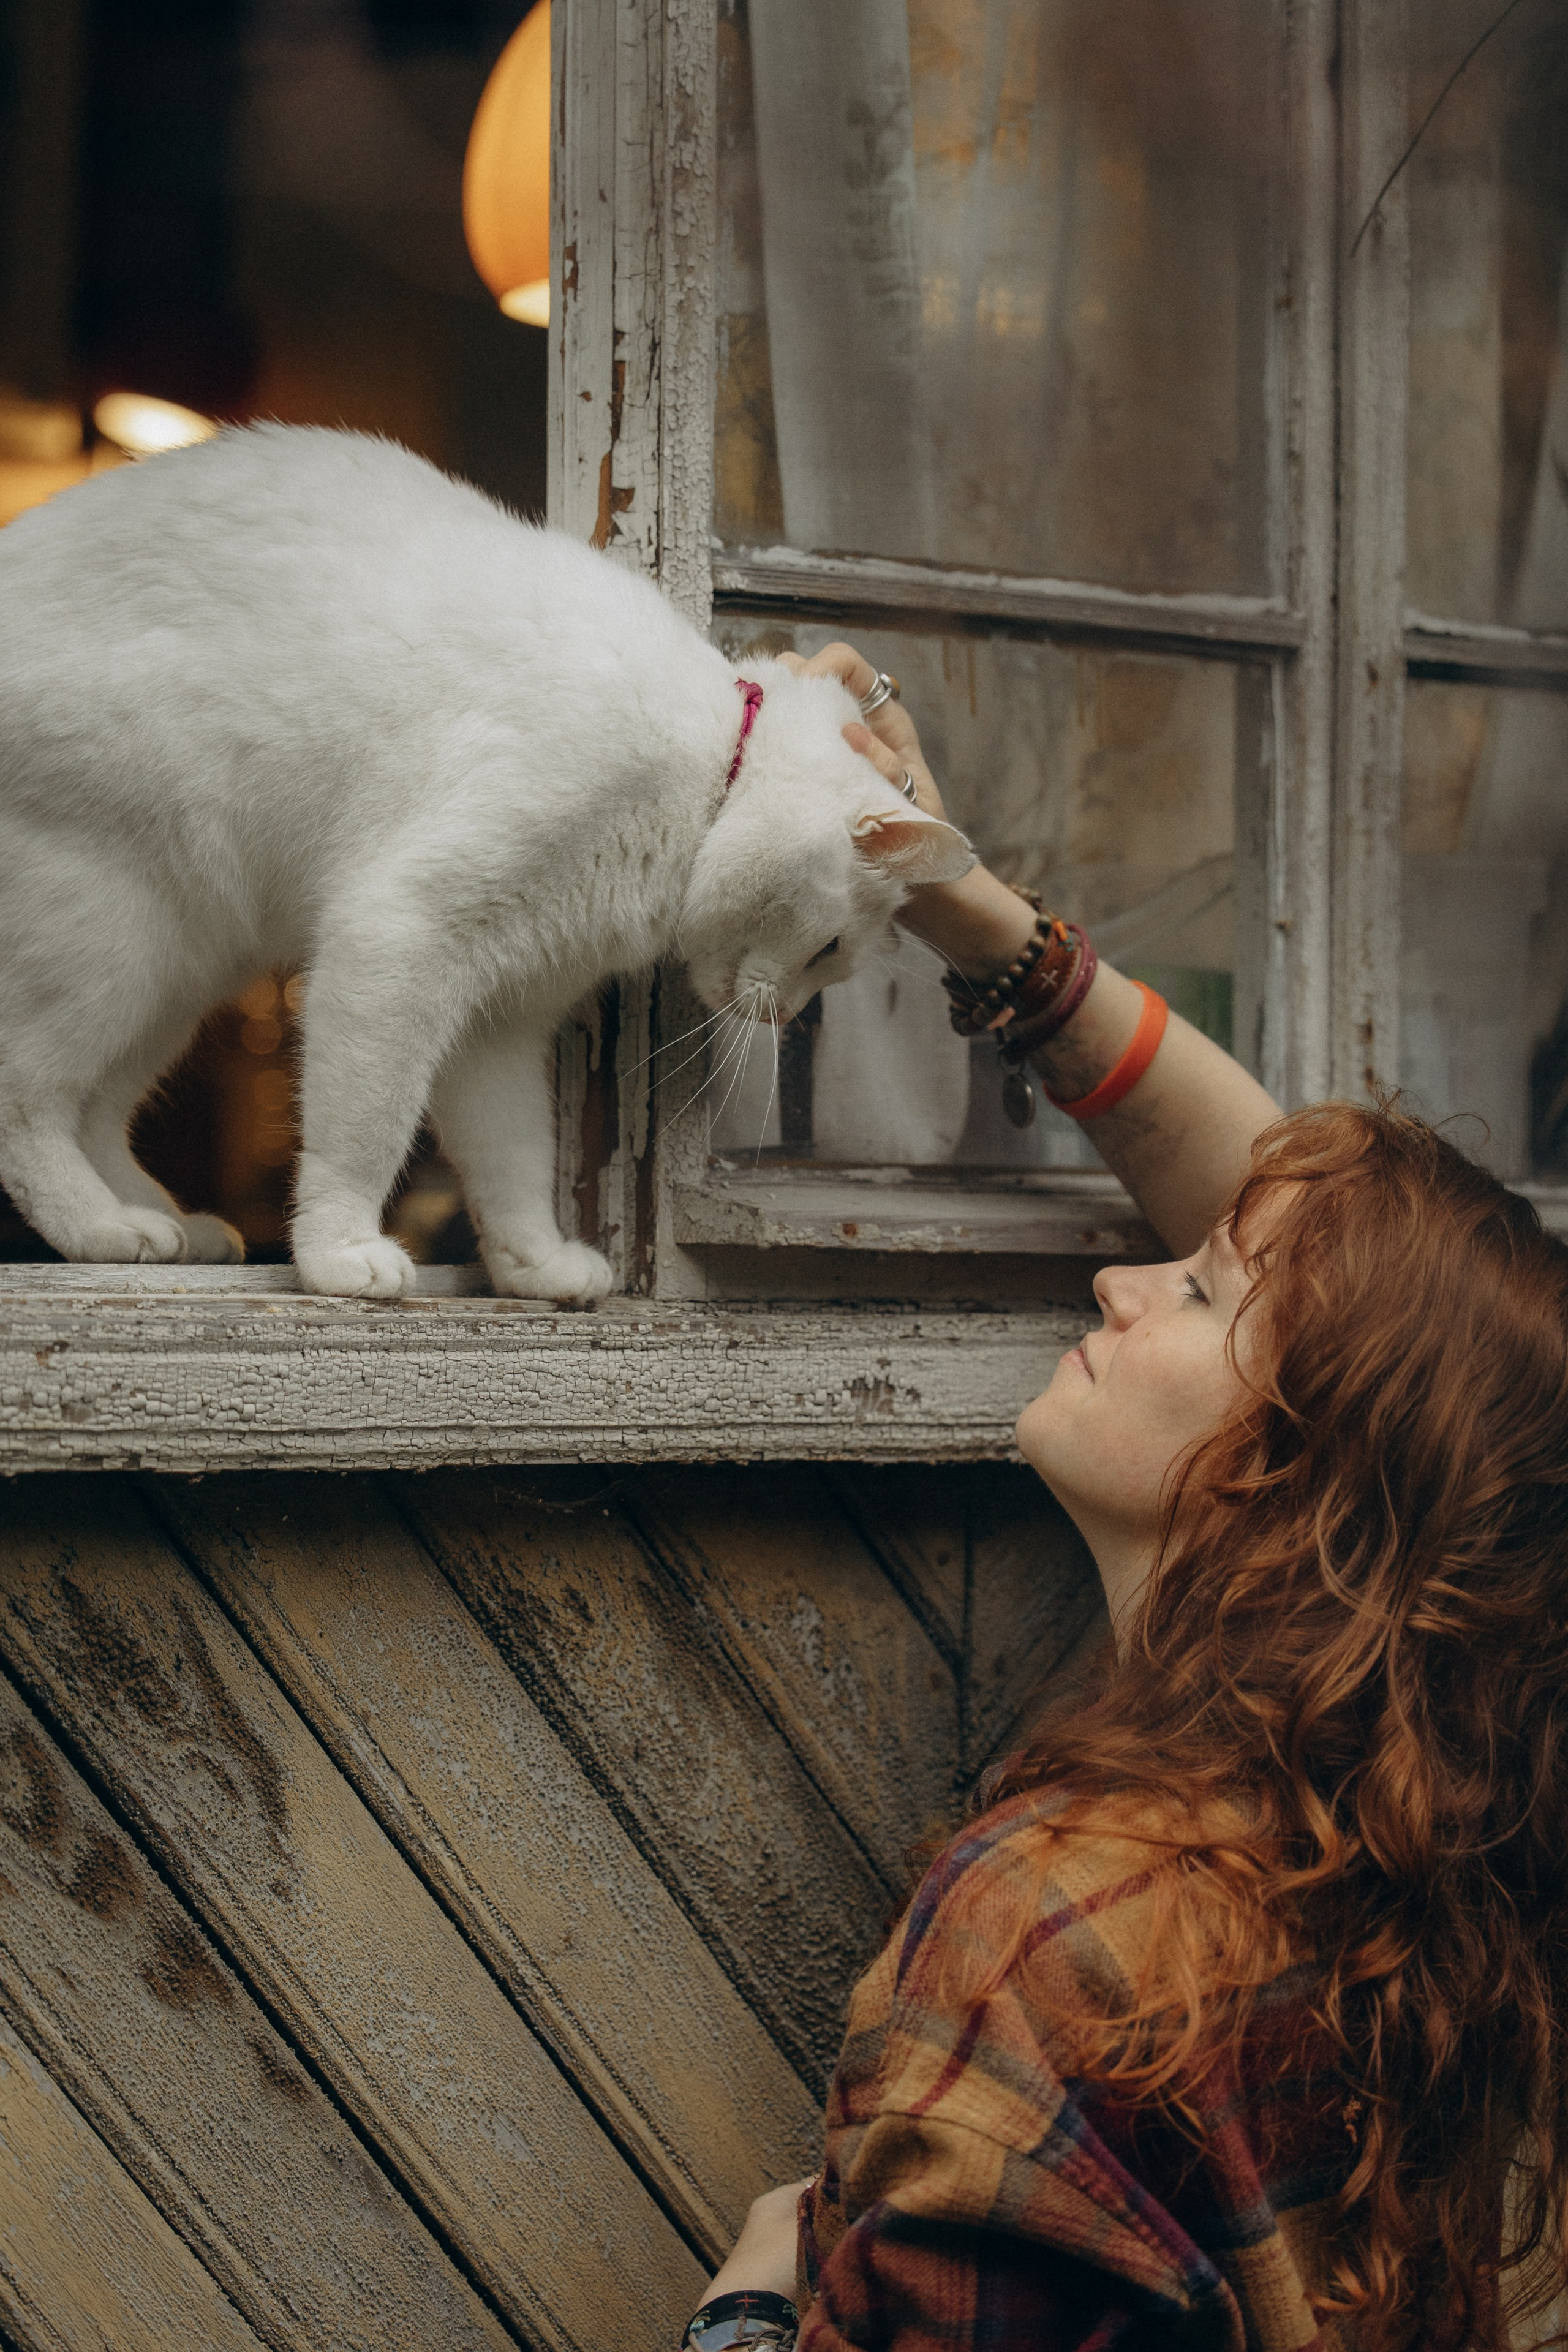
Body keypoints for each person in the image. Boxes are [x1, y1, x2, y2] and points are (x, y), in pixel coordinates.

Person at [679, 645, 1568, 2352]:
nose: (1116, 1289)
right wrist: (952, 893)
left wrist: (744, 2309)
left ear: (1301, 1485)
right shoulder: (1411, 1888)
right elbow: (1313, 1250)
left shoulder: (1055, 1927)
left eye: (1206, 1295)